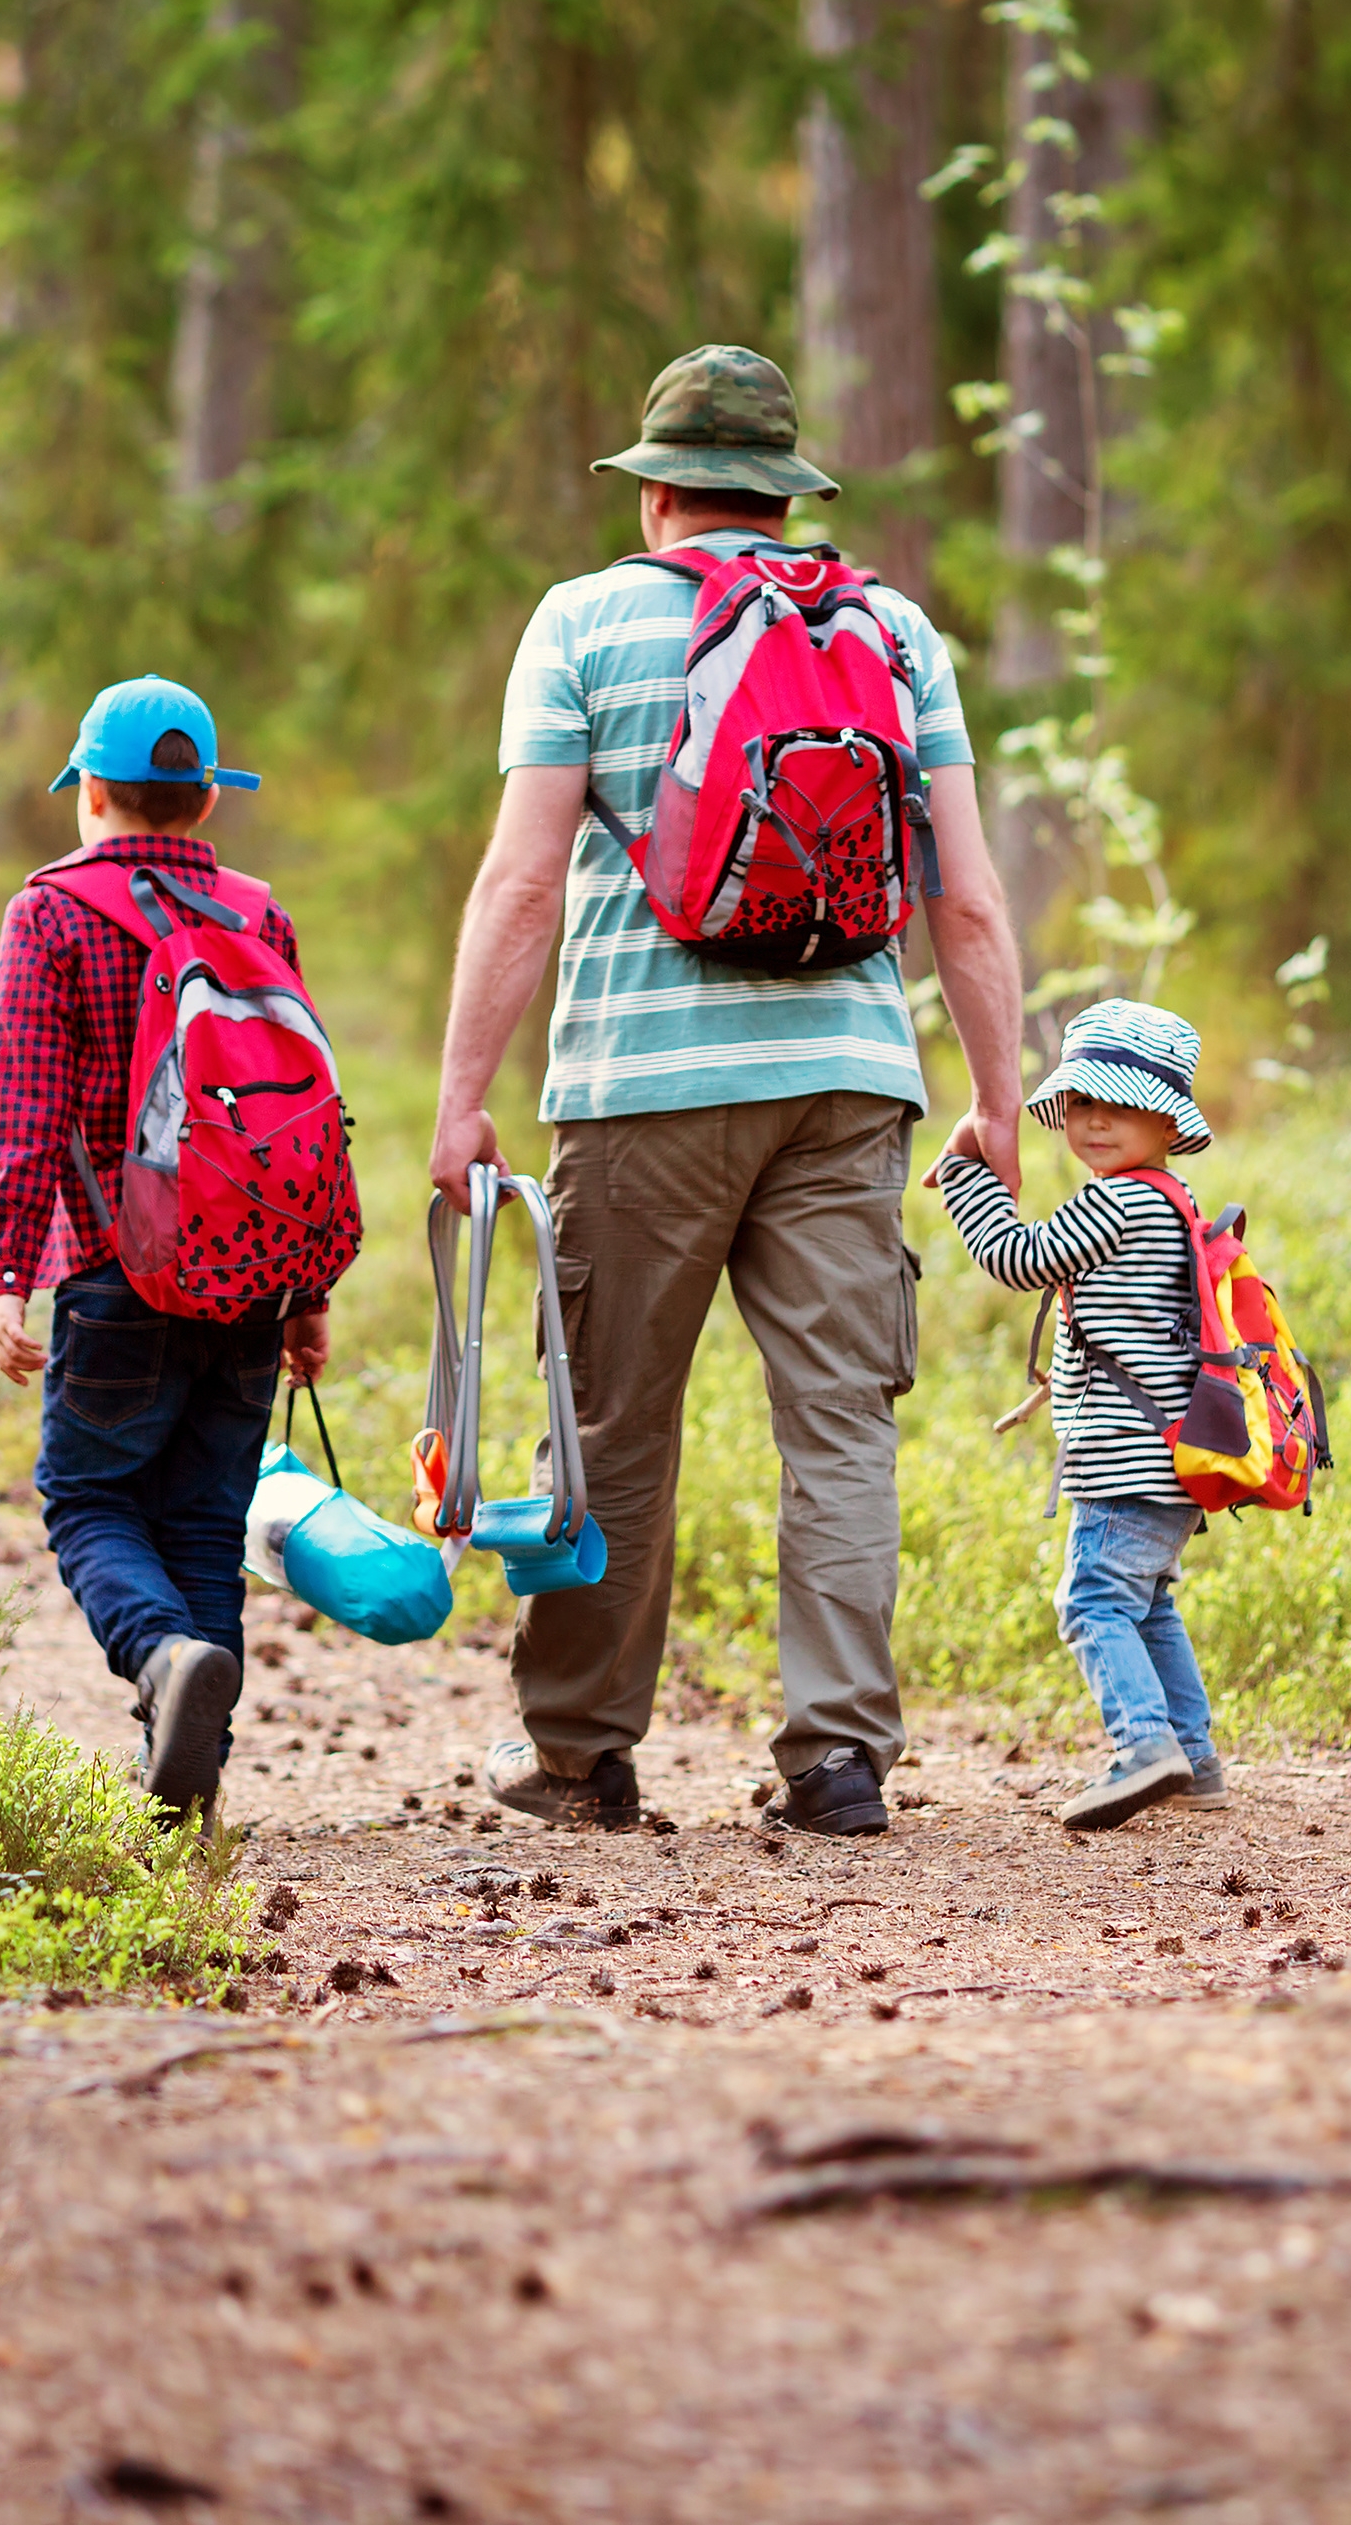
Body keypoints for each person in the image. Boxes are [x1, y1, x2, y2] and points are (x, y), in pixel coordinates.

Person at [418, 344, 1042, 1837]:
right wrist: (997, 1101)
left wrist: (461, 1096)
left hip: (642, 1088)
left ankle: (578, 1753)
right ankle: (837, 1758)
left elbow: (521, 885)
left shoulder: (580, 624)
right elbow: (965, 900)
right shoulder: (893, 631)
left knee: (616, 1422)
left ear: (659, 498)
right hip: (848, 1081)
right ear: (781, 494)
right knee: (839, 1424)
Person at [0, 677, 338, 1822]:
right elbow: (305, 1113)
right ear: (203, 802)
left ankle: (156, 1661)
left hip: (111, 1268)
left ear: (89, 792)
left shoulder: (51, 912)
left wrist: (6, 1278)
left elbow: (26, 1110)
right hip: (250, 1272)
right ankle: (189, 1785)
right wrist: (306, 1288)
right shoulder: (258, 912)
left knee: (85, 1501)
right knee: (198, 1519)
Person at [939, 999, 1232, 1828]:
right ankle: (1195, 1755)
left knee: (1093, 1599)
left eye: (1121, 1105)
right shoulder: (1172, 1199)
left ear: (1166, 1120)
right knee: (1146, 1602)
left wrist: (967, 1171)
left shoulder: (1118, 1204)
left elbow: (1016, 1256)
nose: (1096, 1122)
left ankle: (1145, 1745)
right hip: (1172, 1457)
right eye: (1083, 1104)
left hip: (1123, 1459)